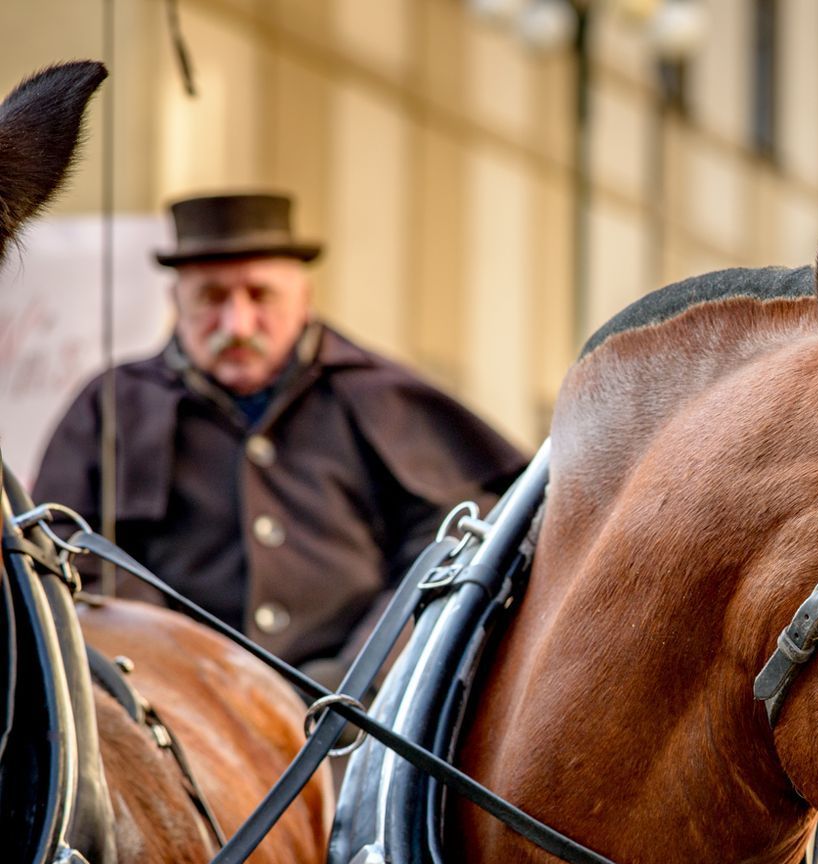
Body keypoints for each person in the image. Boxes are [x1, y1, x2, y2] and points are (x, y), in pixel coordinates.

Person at [34, 192, 526, 683]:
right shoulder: (112, 407)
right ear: (176, 302)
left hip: (362, 715)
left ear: (303, 298)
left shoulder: (381, 395)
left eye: (260, 295)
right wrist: (177, 667)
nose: (237, 324)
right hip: (173, 710)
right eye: (211, 298)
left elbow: (447, 541)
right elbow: (76, 549)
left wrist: (360, 676)